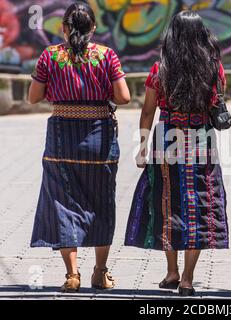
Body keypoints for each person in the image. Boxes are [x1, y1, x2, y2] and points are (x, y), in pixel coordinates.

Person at [124, 10, 229, 296]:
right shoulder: (213, 68)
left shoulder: (160, 70)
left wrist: (143, 147)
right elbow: (217, 102)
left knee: (167, 204)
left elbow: (147, 111)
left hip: (166, 139)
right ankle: (186, 278)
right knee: (199, 205)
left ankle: (170, 272)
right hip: (201, 140)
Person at [28, 2, 130, 293]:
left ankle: (72, 275)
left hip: (61, 138)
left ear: (63, 28)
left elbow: (33, 97)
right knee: (101, 203)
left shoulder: (50, 56)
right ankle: (100, 272)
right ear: (93, 28)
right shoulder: (106, 55)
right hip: (99, 140)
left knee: (63, 203)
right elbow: (123, 97)